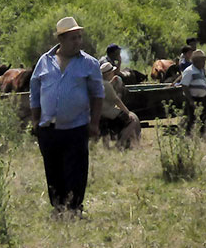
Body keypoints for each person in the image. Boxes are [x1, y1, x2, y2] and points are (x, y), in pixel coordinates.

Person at [29, 16, 104, 215]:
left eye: (79, 37)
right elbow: (35, 92)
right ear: (61, 39)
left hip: (76, 127)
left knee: (76, 169)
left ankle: (75, 207)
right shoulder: (44, 61)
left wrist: (94, 123)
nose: (78, 42)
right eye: (73, 38)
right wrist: (35, 120)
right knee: (52, 169)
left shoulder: (89, 63)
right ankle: (59, 207)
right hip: (48, 128)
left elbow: (98, 95)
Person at [99, 62, 141, 148]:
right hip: (107, 113)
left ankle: (106, 147)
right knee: (132, 120)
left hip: (97, 113)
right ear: (109, 73)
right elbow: (116, 100)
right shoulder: (106, 85)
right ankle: (120, 143)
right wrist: (127, 112)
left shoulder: (97, 83)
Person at [176, 49, 206, 132]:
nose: (204, 63)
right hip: (193, 98)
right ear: (195, 61)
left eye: (204, 61)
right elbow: (184, 86)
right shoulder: (189, 71)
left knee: (202, 117)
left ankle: (201, 134)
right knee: (192, 118)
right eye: (202, 61)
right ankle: (188, 134)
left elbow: (205, 85)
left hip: (202, 99)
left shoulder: (202, 71)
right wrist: (190, 100)